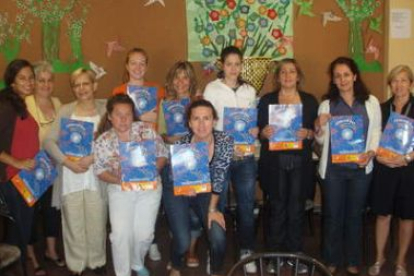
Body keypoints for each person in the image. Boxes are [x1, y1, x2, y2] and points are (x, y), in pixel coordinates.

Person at [314, 57, 381, 275]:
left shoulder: (370, 102)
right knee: (332, 215)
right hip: (333, 171)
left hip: (361, 170)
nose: (342, 79)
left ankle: (353, 259)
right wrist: (319, 127)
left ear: (354, 76)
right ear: (333, 80)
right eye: (337, 76)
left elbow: (376, 132)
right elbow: (321, 142)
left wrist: (371, 152)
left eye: (345, 74)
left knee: (355, 215)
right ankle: (331, 259)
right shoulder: (326, 104)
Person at [94, 94, 168, 276]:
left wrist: (152, 171)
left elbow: (162, 154)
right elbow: (99, 170)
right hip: (120, 190)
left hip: (149, 189)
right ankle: (123, 272)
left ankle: (136, 261)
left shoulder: (145, 130)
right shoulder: (103, 141)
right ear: (110, 116)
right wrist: (119, 180)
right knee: (120, 235)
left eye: (128, 114)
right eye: (118, 114)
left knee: (145, 235)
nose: (123, 119)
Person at [43, 68, 107, 276]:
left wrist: (94, 157)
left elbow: (113, 141)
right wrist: (66, 162)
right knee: (73, 224)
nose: (81, 89)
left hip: (97, 179)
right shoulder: (65, 111)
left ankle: (97, 263)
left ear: (94, 85)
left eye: (85, 84)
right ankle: (77, 265)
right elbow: (48, 142)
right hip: (70, 178)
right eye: (77, 85)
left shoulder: (105, 109)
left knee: (97, 224)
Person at [257, 58, 318, 274]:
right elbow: (259, 130)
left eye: (292, 71)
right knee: (277, 208)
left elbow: (316, 132)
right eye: (283, 72)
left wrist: (309, 133)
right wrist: (264, 133)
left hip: (300, 162)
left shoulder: (310, 101)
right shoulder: (266, 101)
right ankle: (273, 256)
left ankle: (295, 255)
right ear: (277, 77)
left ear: (298, 76)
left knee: (296, 208)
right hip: (275, 162)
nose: (287, 76)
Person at [203, 46, 258, 273]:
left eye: (237, 64)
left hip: (245, 157)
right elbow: (207, 122)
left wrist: (254, 130)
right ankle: (215, 252)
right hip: (220, 157)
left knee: (247, 206)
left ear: (241, 65)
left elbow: (253, 120)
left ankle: (247, 250)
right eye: (229, 64)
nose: (233, 68)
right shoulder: (212, 89)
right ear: (222, 65)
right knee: (219, 205)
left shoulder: (249, 90)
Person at [164, 99, 233, 276]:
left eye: (206, 118)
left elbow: (219, 176)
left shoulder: (225, 140)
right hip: (178, 192)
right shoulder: (181, 145)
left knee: (218, 236)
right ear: (189, 122)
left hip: (207, 192)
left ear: (214, 121)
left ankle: (216, 270)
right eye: (196, 119)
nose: (201, 124)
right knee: (182, 240)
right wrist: (183, 186)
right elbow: (172, 176)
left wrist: (212, 209)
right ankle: (176, 264)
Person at [368, 65, 414, 276]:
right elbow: (374, 136)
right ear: (390, 84)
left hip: (408, 170)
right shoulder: (382, 107)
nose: (399, 85)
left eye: (403, 80)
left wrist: (405, 158)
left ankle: (401, 261)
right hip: (384, 169)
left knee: (407, 217)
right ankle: (379, 257)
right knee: (383, 215)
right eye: (395, 80)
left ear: (410, 83)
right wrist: (378, 154)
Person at [159, 61, 203, 268]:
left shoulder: (200, 102)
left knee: (195, 215)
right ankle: (178, 250)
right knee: (176, 214)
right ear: (171, 80)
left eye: (185, 77)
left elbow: (207, 134)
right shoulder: (163, 104)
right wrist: (166, 138)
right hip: (171, 165)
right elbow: (159, 135)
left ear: (191, 80)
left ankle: (191, 250)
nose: (181, 81)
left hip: (195, 165)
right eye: (177, 77)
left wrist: (185, 139)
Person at [0, 59, 39, 275]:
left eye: (31, 77)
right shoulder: (5, 106)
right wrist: (18, 162)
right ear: (12, 82)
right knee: (17, 234)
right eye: (23, 78)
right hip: (12, 180)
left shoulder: (20, 104)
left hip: (26, 180)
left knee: (22, 232)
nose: (29, 82)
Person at [25, 61, 64, 275]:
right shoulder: (25, 103)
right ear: (34, 82)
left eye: (50, 80)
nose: (46, 84)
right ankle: (31, 256)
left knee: (52, 211)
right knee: (29, 213)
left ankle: (50, 250)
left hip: (53, 168)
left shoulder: (58, 103)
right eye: (41, 80)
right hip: (30, 168)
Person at [113, 47, 166, 127]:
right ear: (127, 66)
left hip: (154, 137)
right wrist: (141, 118)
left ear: (146, 67)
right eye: (133, 63)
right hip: (129, 137)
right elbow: (117, 121)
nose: (138, 67)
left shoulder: (158, 89)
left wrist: (159, 118)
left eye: (142, 63)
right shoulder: (118, 91)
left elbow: (168, 118)